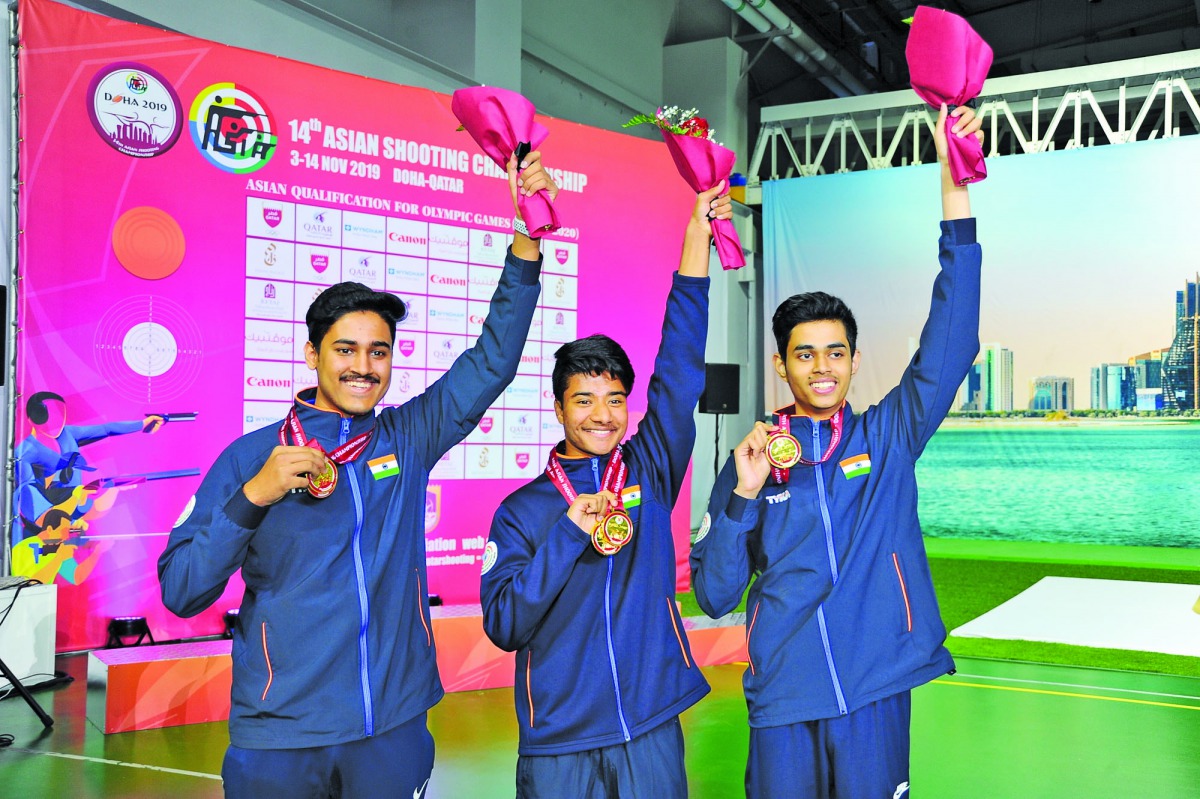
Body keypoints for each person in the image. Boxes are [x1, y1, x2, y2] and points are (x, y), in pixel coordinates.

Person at [158, 152, 557, 799]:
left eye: (379, 351)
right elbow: (181, 590)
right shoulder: (249, 457)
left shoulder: (405, 435)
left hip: (391, 727)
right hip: (281, 736)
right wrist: (254, 496)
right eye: (345, 349)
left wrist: (526, 240)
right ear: (313, 352)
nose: (363, 367)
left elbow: (492, 362)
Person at [690, 104, 984, 799]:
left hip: (876, 689)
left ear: (853, 362)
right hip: (785, 700)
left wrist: (955, 186)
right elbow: (715, 591)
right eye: (804, 354)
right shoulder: (754, 458)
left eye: (835, 352)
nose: (821, 366)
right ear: (781, 365)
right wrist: (742, 496)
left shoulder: (888, 435)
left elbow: (953, 338)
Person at [480, 182, 732, 798]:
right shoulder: (522, 512)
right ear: (560, 408)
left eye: (615, 400)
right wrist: (569, 533)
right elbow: (506, 624)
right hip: (560, 742)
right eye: (585, 401)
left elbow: (678, 374)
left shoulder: (649, 468)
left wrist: (696, 240)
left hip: (649, 726)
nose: (602, 415)